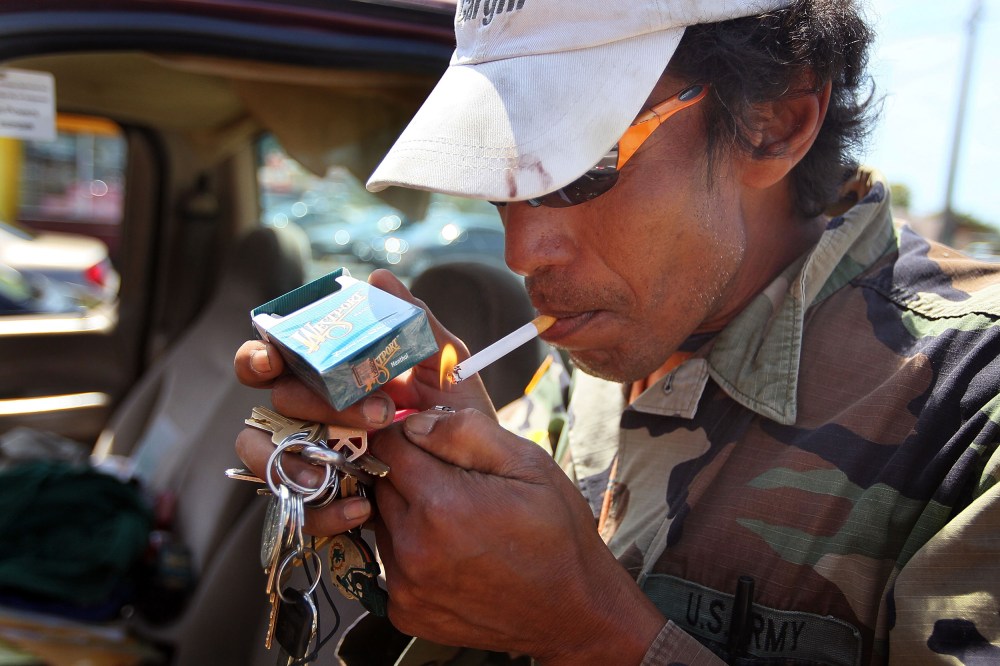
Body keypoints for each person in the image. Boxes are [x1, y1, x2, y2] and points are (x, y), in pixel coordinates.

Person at [234, 0, 1000, 663]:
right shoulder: (598, 353)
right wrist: (410, 483)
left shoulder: (972, 413)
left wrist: (590, 634)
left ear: (774, 120)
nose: (523, 251)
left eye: (582, 170)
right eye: (501, 179)